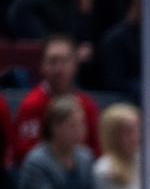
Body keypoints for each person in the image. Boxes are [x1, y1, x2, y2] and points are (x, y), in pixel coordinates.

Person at [18, 95, 117, 189]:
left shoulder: (85, 156)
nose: (80, 130)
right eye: (72, 125)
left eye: (82, 123)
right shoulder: (37, 161)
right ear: (54, 127)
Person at [13, 34, 101, 163]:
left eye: (65, 61)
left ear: (75, 65)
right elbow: (24, 154)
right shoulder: (32, 105)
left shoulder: (87, 105)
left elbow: (98, 151)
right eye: (53, 61)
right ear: (42, 66)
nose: (59, 69)